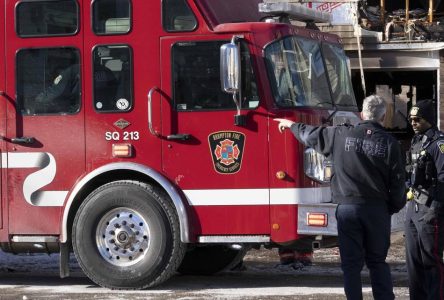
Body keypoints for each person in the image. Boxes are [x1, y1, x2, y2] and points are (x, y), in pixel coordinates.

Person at [274, 94, 406, 300]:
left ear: (362, 114)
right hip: (377, 210)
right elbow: (398, 185)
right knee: (377, 262)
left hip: (347, 209)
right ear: (383, 116)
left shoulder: (339, 135)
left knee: (351, 266)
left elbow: (310, 134)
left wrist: (291, 125)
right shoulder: (390, 144)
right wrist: (391, 208)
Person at [405, 99, 444, 300]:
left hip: (430, 210)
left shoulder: (439, 143)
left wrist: (434, 210)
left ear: (428, 119)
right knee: (413, 262)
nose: (413, 123)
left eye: (417, 119)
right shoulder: (416, 141)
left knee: (431, 261)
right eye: (411, 119)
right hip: (413, 207)